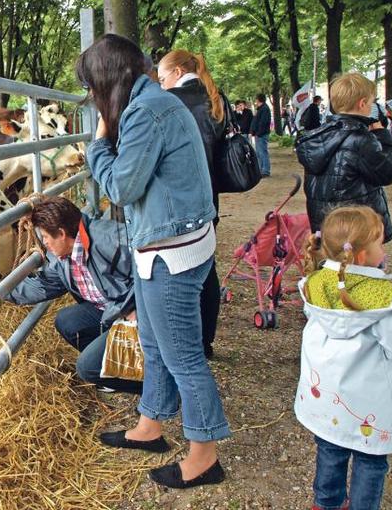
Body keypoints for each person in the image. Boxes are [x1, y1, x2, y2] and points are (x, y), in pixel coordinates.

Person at [79, 33, 230, 489]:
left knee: (182, 354)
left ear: (108, 80)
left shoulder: (145, 112)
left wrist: (99, 146)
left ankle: (204, 453)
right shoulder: (157, 101)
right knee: (152, 340)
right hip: (170, 241)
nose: (91, 96)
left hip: (170, 251)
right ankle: (151, 424)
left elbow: (122, 189)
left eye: (91, 86)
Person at [0, 195, 139, 393]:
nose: (44, 244)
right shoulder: (62, 259)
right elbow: (39, 288)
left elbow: (155, 272)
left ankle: (153, 387)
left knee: (87, 366)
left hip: (138, 312)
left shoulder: (113, 241)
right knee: (67, 321)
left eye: (45, 237)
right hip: (109, 311)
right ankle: (122, 371)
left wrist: (136, 310)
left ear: (62, 233)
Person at [296, 205, 392, 510]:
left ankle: (326, 503)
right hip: (368, 406)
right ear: (362, 255)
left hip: (325, 398)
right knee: (370, 461)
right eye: (380, 241)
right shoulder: (383, 298)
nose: (385, 246)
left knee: (330, 450)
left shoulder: (314, 282)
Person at [157, 49, 226, 359]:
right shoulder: (215, 97)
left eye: (162, 78)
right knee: (206, 266)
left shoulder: (173, 102)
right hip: (209, 195)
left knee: (183, 272)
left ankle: (187, 343)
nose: (160, 86)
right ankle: (206, 341)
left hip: (181, 195)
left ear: (178, 72)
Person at [295, 72, 392, 243]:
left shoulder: (319, 137)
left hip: (326, 226)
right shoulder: (361, 139)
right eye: (371, 103)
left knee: (333, 267)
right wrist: (382, 136)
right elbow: (386, 173)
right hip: (358, 230)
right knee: (362, 269)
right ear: (363, 103)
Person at [249, 93, 272, 177]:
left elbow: (263, 122)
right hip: (259, 134)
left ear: (258, 100)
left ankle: (265, 170)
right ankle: (261, 169)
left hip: (261, 134)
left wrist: (258, 133)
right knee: (259, 152)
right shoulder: (260, 109)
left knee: (262, 152)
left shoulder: (264, 109)